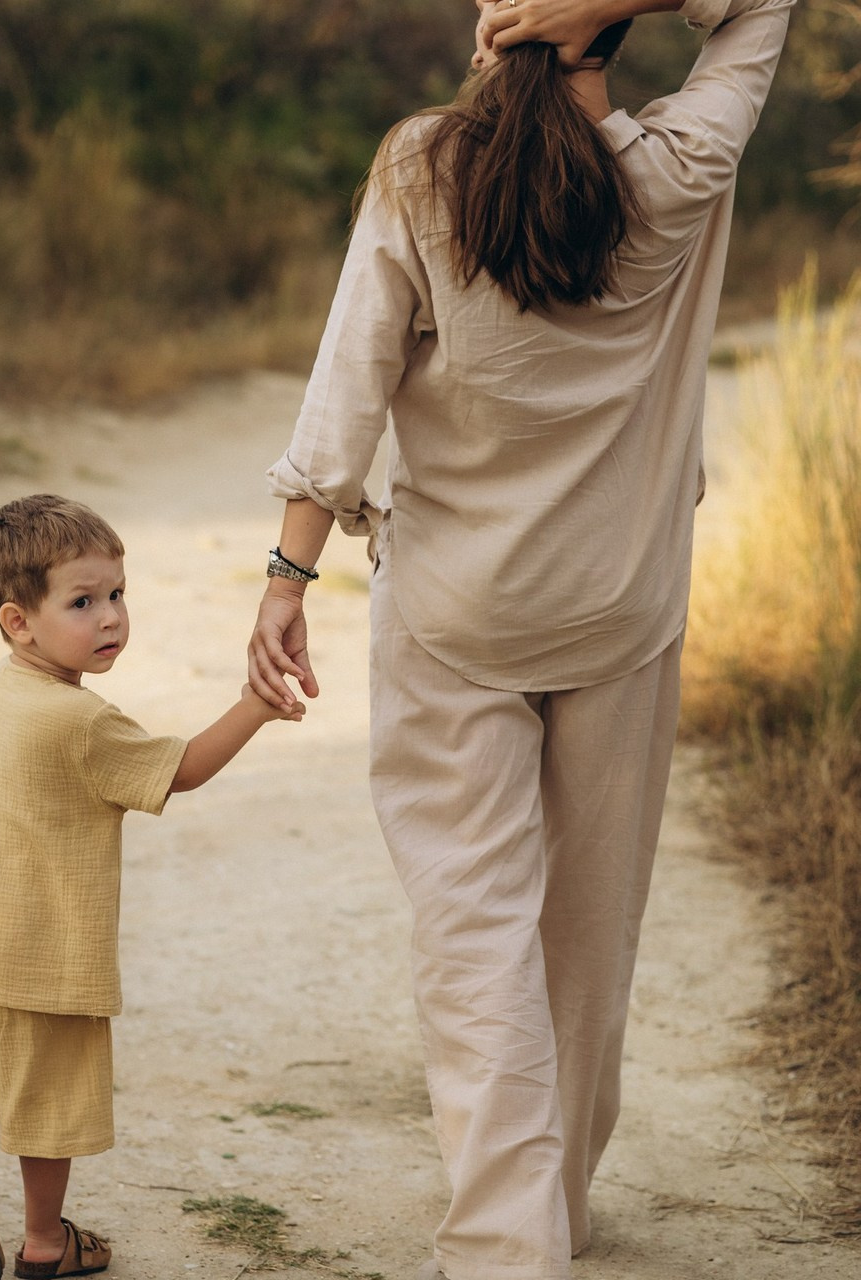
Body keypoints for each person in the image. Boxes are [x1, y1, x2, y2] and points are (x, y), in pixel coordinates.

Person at [247, 0, 793, 1277]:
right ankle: (558, 1201)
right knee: (589, 929)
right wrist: (620, 2)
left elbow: (349, 381)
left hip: (453, 612)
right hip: (619, 609)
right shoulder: (681, 170)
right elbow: (760, 6)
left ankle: (507, 1242)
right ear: (600, 33)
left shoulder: (420, 164)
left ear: (492, 28)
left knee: (472, 927)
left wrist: (286, 573)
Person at [0, 493, 303, 1280]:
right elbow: (182, 769)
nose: (111, 618)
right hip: (40, 966)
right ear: (18, 622)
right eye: (83, 602)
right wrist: (256, 705)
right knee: (47, 1105)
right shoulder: (79, 722)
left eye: (118, 595)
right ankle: (44, 1242)